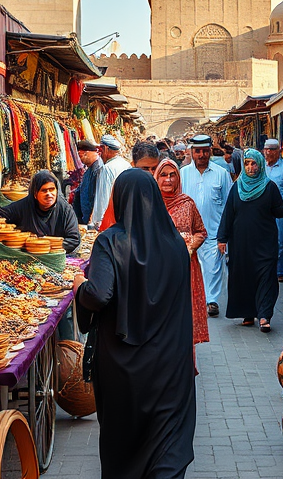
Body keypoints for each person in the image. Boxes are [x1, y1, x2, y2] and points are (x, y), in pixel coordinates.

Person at [73, 170, 196, 479]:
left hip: (124, 368)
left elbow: (98, 294)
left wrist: (79, 287)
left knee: (125, 445)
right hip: (171, 365)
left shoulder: (111, 242)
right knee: (168, 440)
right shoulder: (176, 246)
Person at [217, 149, 283, 332]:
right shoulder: (237, 187)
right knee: (244, 277)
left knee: (266, 277)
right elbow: (228, 214)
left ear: (260, 165)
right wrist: (222, 238)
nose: (250, 167)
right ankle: (248, 314)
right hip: (241, 243)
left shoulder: (269, 186)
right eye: (247, 163)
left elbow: (277, 210)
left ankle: (264, 315)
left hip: (265, 242)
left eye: (253, 163)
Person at [155, 158, 209, 345]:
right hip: (159, 269)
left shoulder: (187, 203)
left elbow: (201, 231)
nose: (168, 180)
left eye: (172, 175)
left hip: (186, 268)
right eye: (163, 175)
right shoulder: (150, 205)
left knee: (184, 315)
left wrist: (191, 245)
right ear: (156, 177)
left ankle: (186, 365)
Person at [180, 134, 232, 317]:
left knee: (214, 268)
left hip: (214, 230)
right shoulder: (183, 174)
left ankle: (212, 301)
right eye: (197, 151)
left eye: (205, 151)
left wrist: (226, 233)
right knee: (193, 267)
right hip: (188, 233)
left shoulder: (222, 173)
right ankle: (195, 299)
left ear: (210, 151)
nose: (201, 155)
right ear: (192, 152)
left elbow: (229, 203)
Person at [0, 170, 81, 253]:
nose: (49, 194)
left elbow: (74, 240)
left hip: (55, 257)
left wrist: (46, 246)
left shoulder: (65, 209)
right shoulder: (23, 206)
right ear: (35, 194)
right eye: (44, 190)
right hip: (28, 257)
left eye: (52, 189)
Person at [262, 139, 283, 282]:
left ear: (278, 151)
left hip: (280, 210)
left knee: (280, 240)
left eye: (271, 149)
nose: (268, 152)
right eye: (266, 149)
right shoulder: (261, 166)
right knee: (263, 240)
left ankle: (280, 271)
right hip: (262, 209)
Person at [91, 135, 131, 227]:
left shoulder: (107, 168)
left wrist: (100, 221)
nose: (99, 154)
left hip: (109, 220)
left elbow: (103, 197)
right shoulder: (126, 164)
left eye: (100, 150)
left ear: (105, 149)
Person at [74, 139, 103, 226]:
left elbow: (96, 194)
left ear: (87, 153)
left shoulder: (97, 169)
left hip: (91, 217)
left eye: (81, 155)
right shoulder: (90, 170)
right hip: (86, 216)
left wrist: (92, 214)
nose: (81, 159)